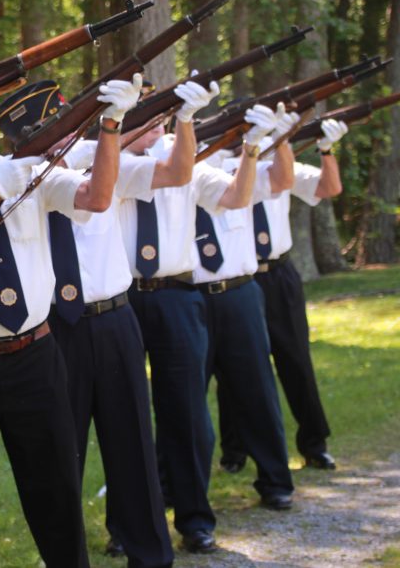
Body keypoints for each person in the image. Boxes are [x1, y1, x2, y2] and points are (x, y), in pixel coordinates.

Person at [0, 72, 141, 567]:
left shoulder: (23, 168)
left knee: (57, 491)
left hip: (36, 355)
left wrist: (110, 126)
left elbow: (96, 198)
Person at [45, 78, 218, 568]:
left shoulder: (110, 163)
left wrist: (182, 120)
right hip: (60, 322)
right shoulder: (26, 174)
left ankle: (159, 542)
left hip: (122, 313)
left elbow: (177, 172)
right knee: (64, 449)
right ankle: (67, 551)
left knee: (138, 439)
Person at [116, 100, 278, 553]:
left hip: (176, 296)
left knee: (187, 415)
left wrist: (249, 151)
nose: (153, 125)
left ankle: (194, 520)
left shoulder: (186, 156)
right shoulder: (105, 156)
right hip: (122, 300)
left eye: (158, 117)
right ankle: (128, 526)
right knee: (125, 417)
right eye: (142, 117)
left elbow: (235, 198)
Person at [217, 118, 348, 473]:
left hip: (278, 273)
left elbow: (328, 187)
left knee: (295, 359)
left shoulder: (280, 163)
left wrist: (322, 148)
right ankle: (235, 449)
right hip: (241, 276)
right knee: (235, 366)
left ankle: (314, 442)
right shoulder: (222, 166)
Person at [198, 103, 298, 512]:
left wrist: (276, 140)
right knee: (184, 404)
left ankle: (275, 479)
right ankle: (174, 489)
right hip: (191, 295)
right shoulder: (175, 164)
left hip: (239, 290)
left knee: (258, 390)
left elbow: (282, 179)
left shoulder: (246, 162)